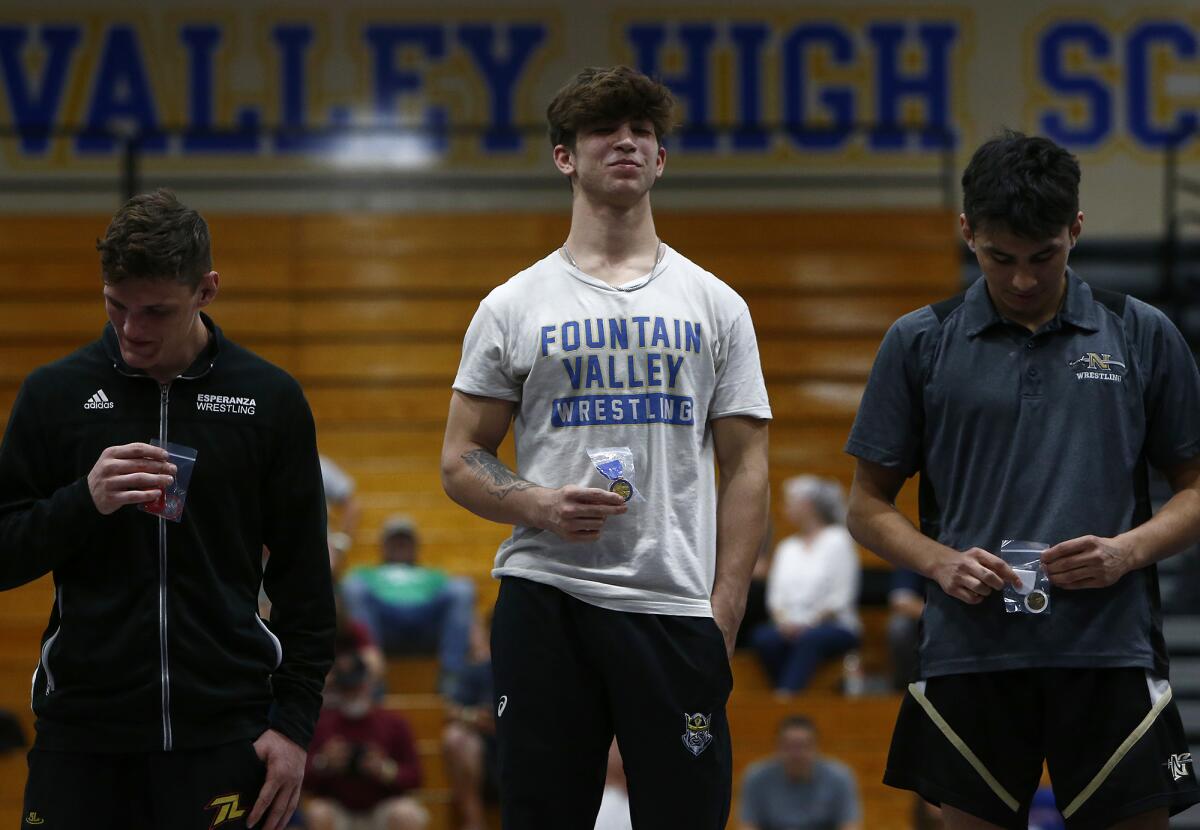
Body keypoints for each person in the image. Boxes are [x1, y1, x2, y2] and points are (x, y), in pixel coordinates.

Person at [441, 65, 771, 829]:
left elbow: (748, 464)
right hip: (546, 600)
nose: (625, 141)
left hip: (673, 605)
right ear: (565, 156)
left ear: (660, 159)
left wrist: (726, 607)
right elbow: (460, 458)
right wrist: (537, 503)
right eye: (602, 130)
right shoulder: (513, 305)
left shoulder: (716, 304)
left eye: (642, 132)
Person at [844, 131, 1200, 829]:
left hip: (1111, 648)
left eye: (1045, 255)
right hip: (969, 653)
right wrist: (939, 562)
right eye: (999, 257)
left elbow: (1195, 488)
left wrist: (1126, 552)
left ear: (1076, 229)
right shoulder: (919, 342)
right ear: (966, 231)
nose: (1023, 280)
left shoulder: (1141, 333)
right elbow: (866, 506)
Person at [2, 190, 335, 830]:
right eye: (115, 306)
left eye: (155, 311)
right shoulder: (54, 394)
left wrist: (293, 726)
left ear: (206, 291)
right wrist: (84, 501)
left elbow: (304, 583)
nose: (131, 330)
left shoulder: (269, 399)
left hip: (225, 730)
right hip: (82, 733)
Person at [750, 475, 861, 693]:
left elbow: (841, 597)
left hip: (834, 625)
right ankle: (785, 691)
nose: (785, 508)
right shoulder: (786, 547)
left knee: (810, 639)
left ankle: (786, 695)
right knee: (763, 638)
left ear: (807, 505)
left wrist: (807, 623)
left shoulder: (839, 540)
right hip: (789, 625)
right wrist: (784, 622)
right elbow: (775, 598)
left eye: (790, 502)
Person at [340, 514, 475, 691]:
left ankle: (452, 674)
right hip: (384, 625)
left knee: (463, 587)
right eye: (395, 540)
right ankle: (372, 672)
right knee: (352, 586)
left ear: (415, 546)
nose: (400, 545)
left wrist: (477, 645)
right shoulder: (366, 574)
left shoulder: (433, 575)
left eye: (405, 541)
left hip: (427, 625)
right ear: (383, 545)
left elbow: (460, 612)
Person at [304, 653, 428, 830]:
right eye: (346, 688)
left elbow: (416, 776)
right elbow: (303, 777)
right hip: (339, 809)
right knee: (317, 812)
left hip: (381, 808)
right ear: (338, 689)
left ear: (368, 685)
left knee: (406, 813)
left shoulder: (394, 723)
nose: (352, 694)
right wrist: (324, 763)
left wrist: (385, 769)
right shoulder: (322, 724)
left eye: (357, 686)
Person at [738, 715, 862, 830]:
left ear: (816, 747)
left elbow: (849, 824)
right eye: (789, 746)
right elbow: (747, 825)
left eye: (803, 746)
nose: (796, 754)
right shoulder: (756, 778)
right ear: (777, 747)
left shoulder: (840, 777)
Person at [441, 614, 499, 830]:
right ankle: (473, 821)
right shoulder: (478, 670)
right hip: (486, 756)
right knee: (455, 738)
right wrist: (474, 717)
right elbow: (452, 710)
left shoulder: (538, 672)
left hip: (525, 752)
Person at [885, 568, 925, 691]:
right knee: (899, 626)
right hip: (927, 621)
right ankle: (907, 689)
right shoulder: (920, 549)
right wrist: (939, 618)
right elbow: (901, 601)